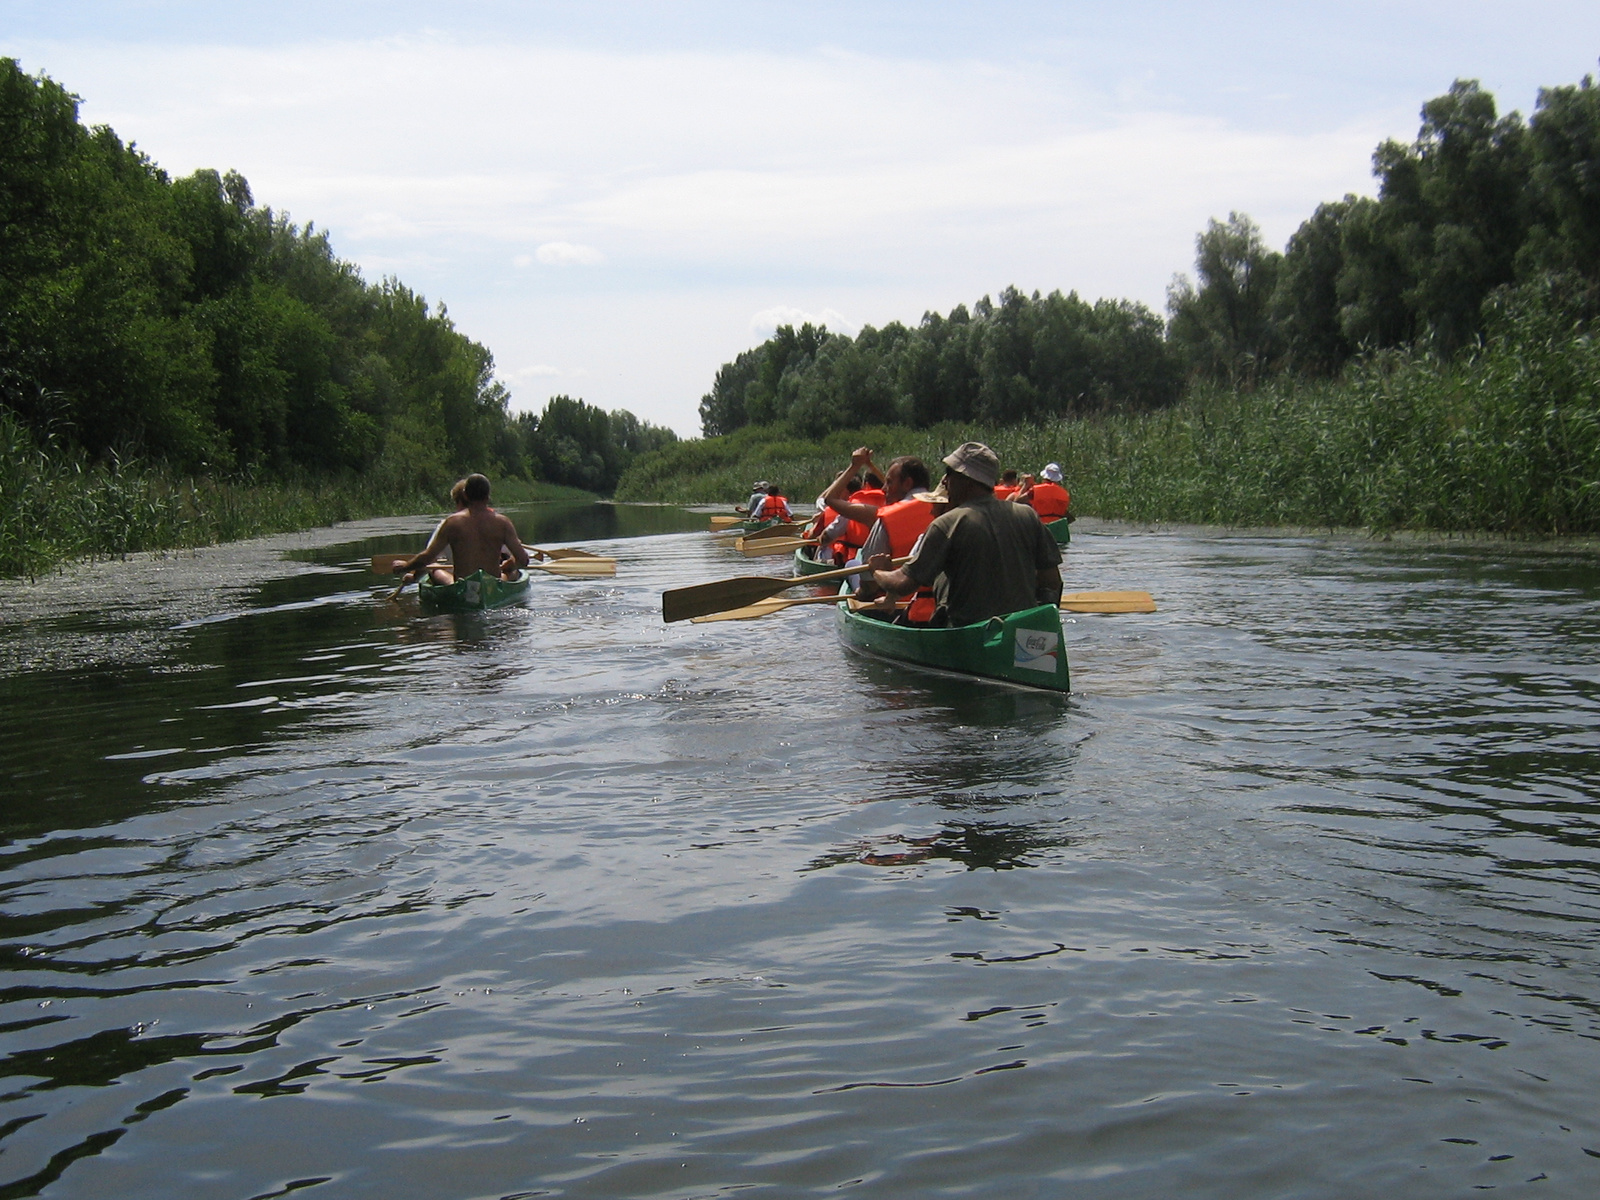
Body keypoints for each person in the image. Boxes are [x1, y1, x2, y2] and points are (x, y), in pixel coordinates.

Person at [867, 442, 1062, 626]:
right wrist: (1041, 625)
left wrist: (877, 571)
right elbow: (1052, 581)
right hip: (1020, 629)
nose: (944, 480)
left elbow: (903, 585)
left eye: (949, 473)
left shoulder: (947, 524)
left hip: (967, 631)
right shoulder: (1027, 515)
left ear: (967, 480)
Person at [396, 474, 531, 586]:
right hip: (492, 586)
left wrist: (405, 566)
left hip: (463, 586)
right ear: (488, 496)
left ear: (465, 495)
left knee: (434, 568)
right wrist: (510, 564)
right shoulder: (503, 522)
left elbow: (428, 557)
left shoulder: (452, 523)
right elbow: (523, 559)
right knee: (510, 573)